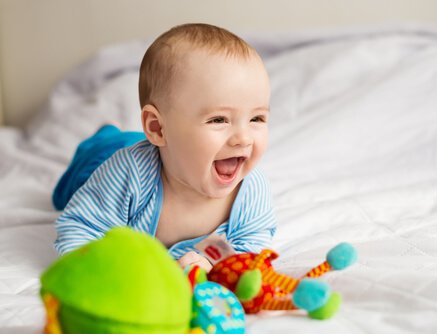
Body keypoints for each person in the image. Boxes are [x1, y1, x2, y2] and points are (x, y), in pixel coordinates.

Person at [53, 23, 276, 271]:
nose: (243, 138)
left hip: (169, 149)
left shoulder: (250, 191)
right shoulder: (129, 174)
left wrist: (213, 265)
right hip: (106, 157)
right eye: (218, 120)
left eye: (256, 119)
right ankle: (105, 134)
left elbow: (252, 251)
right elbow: (80, 227)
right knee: (70, 186)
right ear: (158, 128)